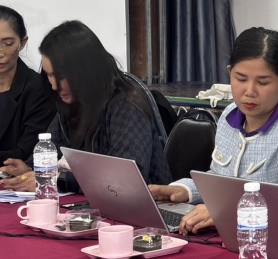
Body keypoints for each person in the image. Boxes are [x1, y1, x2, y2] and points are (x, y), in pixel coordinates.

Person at [149, 28, 278, 234]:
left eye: (263, 82)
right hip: (233, 233)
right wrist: (185, 190)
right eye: (241, 79)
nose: (249, 91)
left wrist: (226, 211)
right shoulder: (230, 115)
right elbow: (222, 181)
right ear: (230, 72)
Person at [0, 21, 171, 192]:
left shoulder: (125, 104)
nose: (54, 86)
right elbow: (52, 148)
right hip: (88, 203)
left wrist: (55, 179)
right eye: (49, 75)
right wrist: (29, 169)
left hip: (146, 205)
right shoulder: (69, 103)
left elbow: (126, 179)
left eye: (60, 77)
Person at [0, 6, 56, 165]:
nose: (0, 53)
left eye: (8, 44)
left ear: (22, 42)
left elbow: (28, 150)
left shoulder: (39, 89)